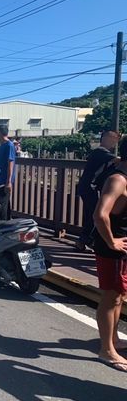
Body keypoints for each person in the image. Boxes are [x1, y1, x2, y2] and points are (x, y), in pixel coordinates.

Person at [92, 136, 127, 372]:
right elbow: (100, 214)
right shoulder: (118, 180)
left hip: (120, 248)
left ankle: (113, 339)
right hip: (111, 249)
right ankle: (106, 350)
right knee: (111, 296)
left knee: (118, 296)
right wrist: (112, 242)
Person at [76, 130, 121, 252]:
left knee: (91, 214)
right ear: (104, 138)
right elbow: (118, 160)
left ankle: (85, 241)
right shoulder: (100, 152)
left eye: (117, 139)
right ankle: (85, 241)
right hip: (89, 188)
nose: (115, 141)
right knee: (94, 214)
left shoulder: (101, 154)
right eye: (113, 138)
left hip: (87, 188)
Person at [0, 124, 16, 221]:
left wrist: (9, 181)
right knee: (2, 203)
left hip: (4, 180)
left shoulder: (9, 145)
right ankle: (6, 224)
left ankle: (2, 226)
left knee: (2, 205)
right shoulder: (2, 146)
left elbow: (10, 162)